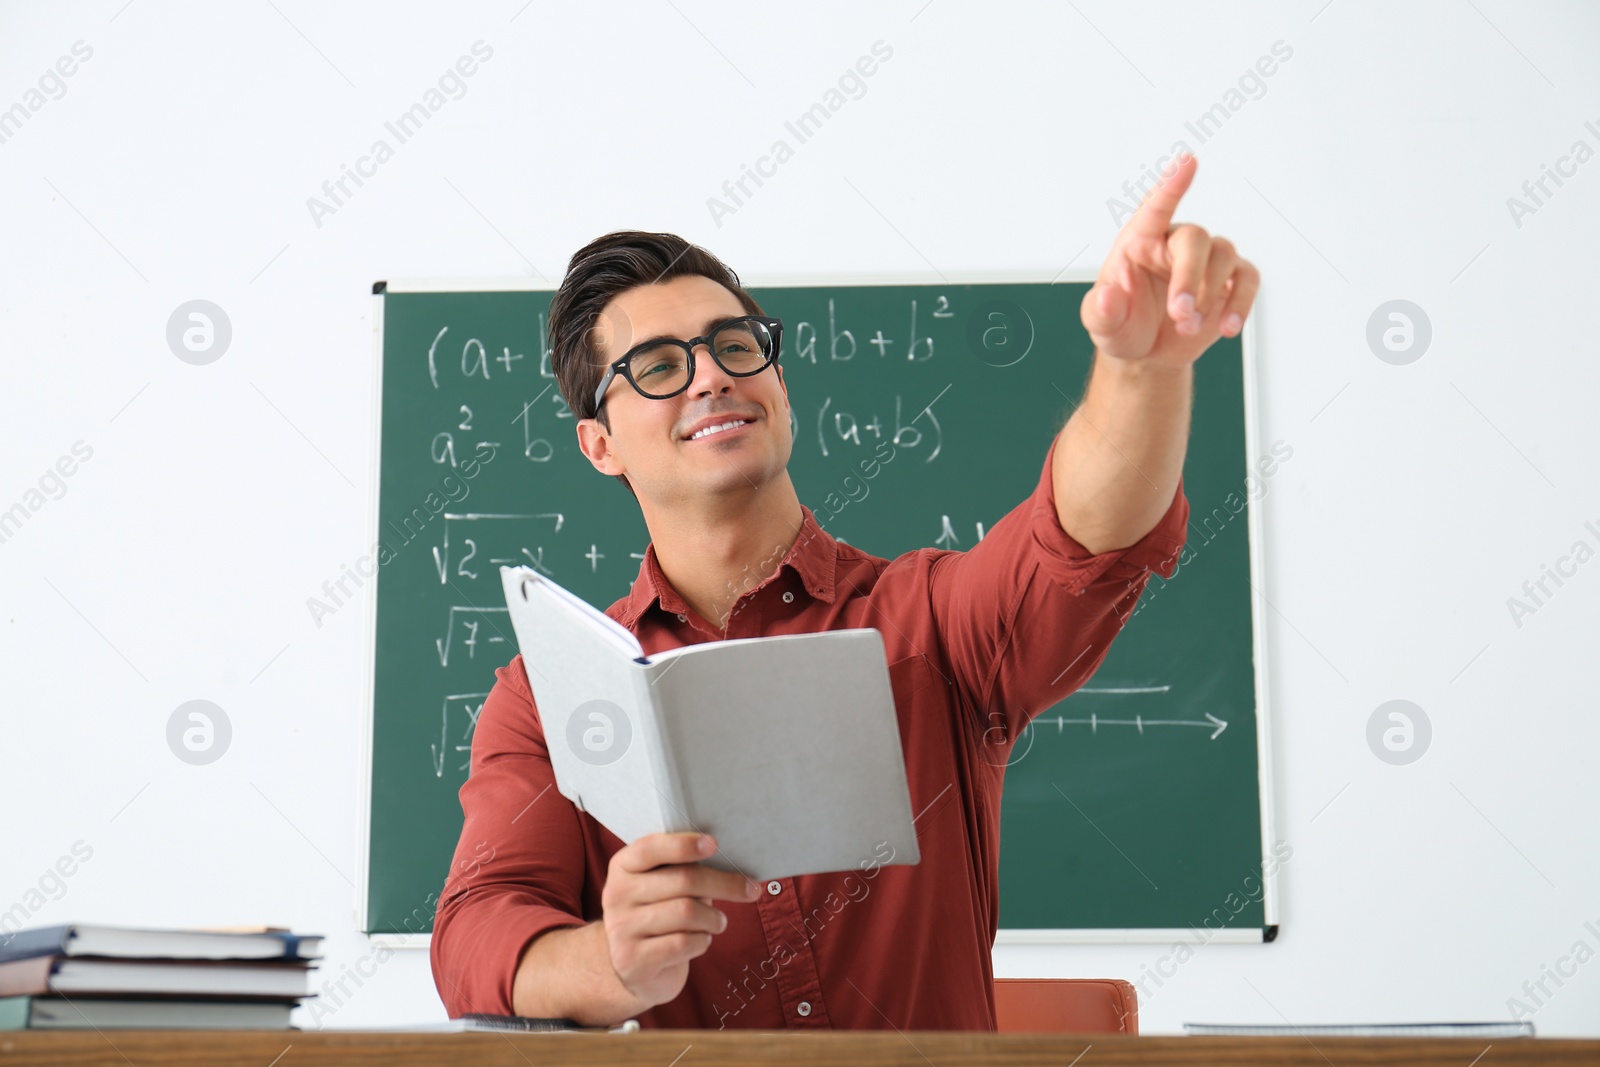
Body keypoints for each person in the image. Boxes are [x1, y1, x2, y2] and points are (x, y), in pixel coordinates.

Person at [430, 153, 1257, 1029]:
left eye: (735, 346)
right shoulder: (551, 693)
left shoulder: (928, 624)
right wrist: (612, 962)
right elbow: (476, 933)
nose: (712, 376)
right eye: (659, 365)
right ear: (600, 444)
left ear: (778, 384)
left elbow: (1082, 540)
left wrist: (1143, 369)